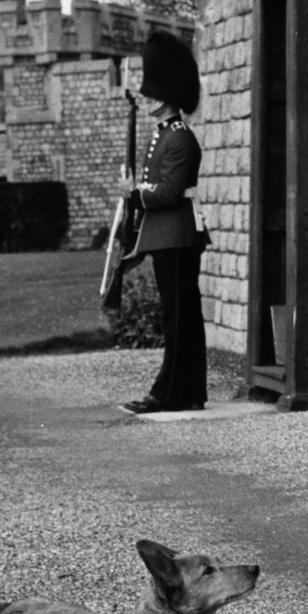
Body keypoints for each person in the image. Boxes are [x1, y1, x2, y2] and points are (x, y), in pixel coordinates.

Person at [121, 30, 208, 415]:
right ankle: (188, 391)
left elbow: (169, 192)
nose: (148, 96)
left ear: (170, 92)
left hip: (176, 235)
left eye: (155, 90)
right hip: (165, 235)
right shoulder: (163, 135)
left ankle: (170, 392)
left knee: (179, 317)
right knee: (179, 314)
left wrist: (134, 193)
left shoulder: (179, 138)